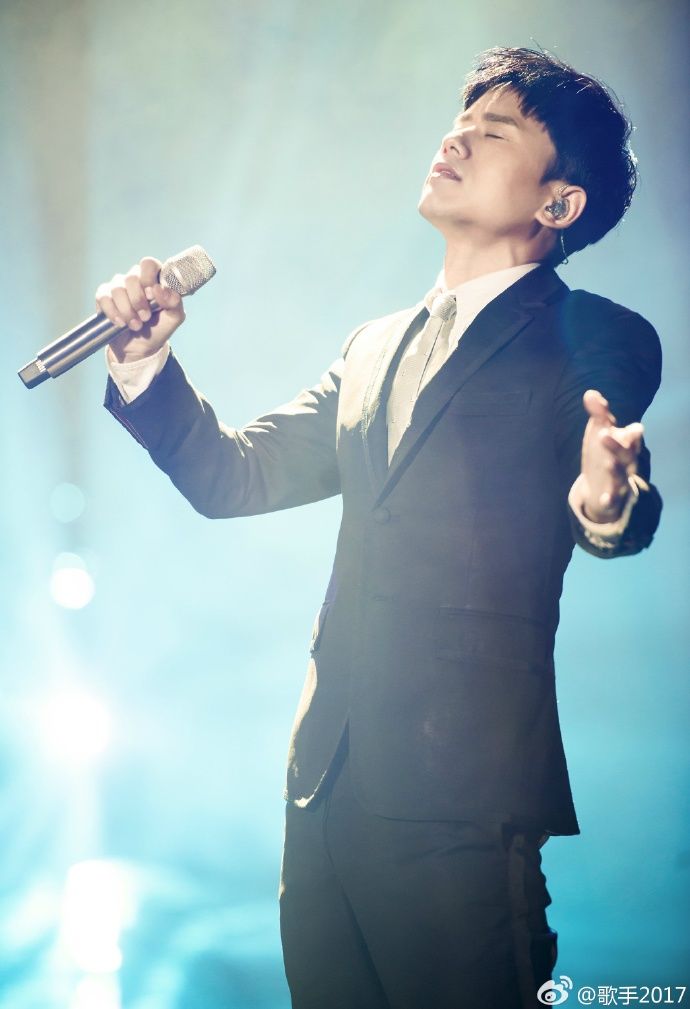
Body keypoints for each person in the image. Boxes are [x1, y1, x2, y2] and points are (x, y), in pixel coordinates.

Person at [97, 47, 662, 1009]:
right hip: (322, 791)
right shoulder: (372, 347)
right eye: (460, 122)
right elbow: (235, 476)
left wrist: (607, 501)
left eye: (494, 132)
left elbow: (607, 474)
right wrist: (145, 365)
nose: (457, 139)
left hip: (461, 805)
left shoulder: (595, 334)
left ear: (560, 203)